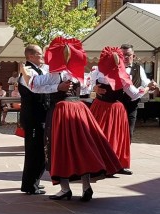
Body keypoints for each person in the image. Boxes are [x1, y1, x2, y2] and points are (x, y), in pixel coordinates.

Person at [20, 37, 122, 202]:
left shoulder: (56, 73)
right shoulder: (78, 72)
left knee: (61, 149)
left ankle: (65, 189)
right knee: (82, 148)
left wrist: (25, 73)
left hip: (62, 111)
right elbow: (87, 89)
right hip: (79, 109)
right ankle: (86, 186)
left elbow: (35, 84)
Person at [94, 44, 157, 175]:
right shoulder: (119, 74)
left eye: (128, 55)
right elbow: (134, 93)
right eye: (123, 56)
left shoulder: (100, 71)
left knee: (121, 136)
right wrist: (147, 89)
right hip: (114, 108)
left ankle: (113, 164)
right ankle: (108, 165)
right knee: (110, 137)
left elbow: (87, 82)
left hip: (115, 107)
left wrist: (149, 85)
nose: (125, 58)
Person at [18, 44, 59, 195]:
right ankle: (29, 185)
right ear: (31, 56)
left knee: (41, 150)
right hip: (33, 116)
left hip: (41, 114)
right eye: (40, 54)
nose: (42, 57)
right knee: (34, 151)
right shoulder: (27, 71)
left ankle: (34, 181)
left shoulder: (41, 70)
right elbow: (35, 87)